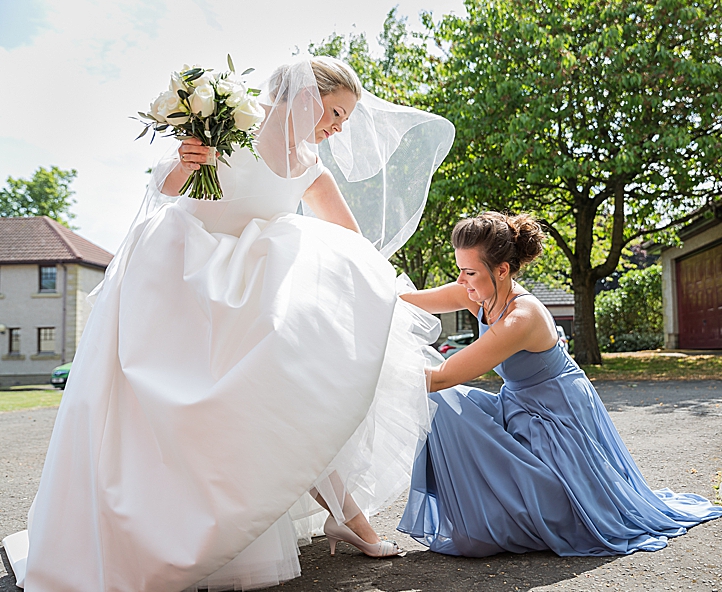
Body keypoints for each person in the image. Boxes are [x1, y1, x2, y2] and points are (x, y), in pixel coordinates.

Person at [2, 57, 454, 592]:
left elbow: (354, 244)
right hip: (185, 287)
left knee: (297, 397)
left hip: (255, 298)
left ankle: (348, 515)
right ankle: (152, 534)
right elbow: (164, 193)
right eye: (336, 112)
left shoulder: (312, 165)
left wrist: (410, 296)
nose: (339, 127)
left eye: (346, 118)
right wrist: (185, 159)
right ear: (305, 96)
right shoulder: (227, 130)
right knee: (176, 419)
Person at [397, 212, 722, 557]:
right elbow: (410, 302)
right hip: (519, 403)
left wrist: (376, 377)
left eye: (470, 272)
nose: (461, 281)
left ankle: (528, 514)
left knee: (446, 398)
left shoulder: (521, 318)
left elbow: (445, 376)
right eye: (459, 270)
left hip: (556, 414)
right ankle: (491, 514)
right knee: (447, 407)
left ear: (502, 270)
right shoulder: (478, 293)